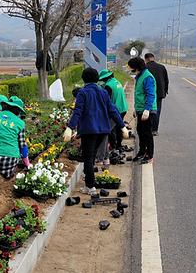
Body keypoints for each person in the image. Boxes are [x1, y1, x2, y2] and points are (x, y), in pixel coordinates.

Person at [64, 68, 128, 196]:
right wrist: (122, 126)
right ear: (97, 79)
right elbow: (112, 110)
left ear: (83, 79)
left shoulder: (83, 93)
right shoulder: (103, 92)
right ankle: (90, 182)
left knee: (88, 157)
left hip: (89, 130)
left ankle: (90, 187)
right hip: (103, 130)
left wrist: (70, 127)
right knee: (92, 157)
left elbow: (78, 111)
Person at [128, 57, 156, 163]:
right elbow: (139, 94)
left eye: (132, 68)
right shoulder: (139, 76)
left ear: (137, 67)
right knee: (140, 131)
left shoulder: (147, 77)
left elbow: (150, 94)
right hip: (140, 109)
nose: (131, 69)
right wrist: (136, 109)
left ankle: (149, 155)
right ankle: (142, 152)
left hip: (147, 110)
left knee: (147, 133)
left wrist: (147, 109)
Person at [98, 69, 128, 153]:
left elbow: (106, 100)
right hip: (123, 107)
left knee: (112, 129)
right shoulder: (116, 82)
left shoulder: (108, 86)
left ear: (105, 78)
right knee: (119, 127)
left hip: (116, 110)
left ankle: (113, 146)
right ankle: (119, 145)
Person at [144, 53, 169, 136]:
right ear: (153, 58)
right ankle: (154, 130)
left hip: (147, 93)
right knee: (157, 111)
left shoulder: (145, 68)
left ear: (146, 59)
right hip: (159, 93)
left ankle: (148, 128)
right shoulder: (162, 67)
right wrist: (165, 91)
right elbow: (166, 80)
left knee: (147, 110)